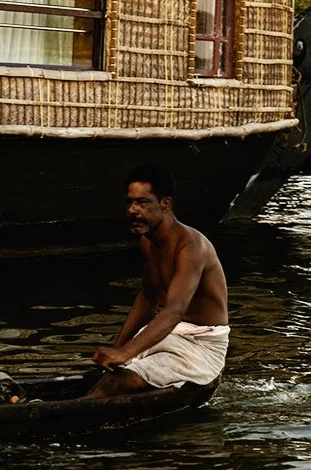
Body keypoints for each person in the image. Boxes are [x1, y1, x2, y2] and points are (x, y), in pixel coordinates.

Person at [86, 162, 230, 397]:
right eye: (130, 202)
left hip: (200, 347)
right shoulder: (148, 242)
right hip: (167, 335)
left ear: (166, 204)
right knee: (105, 376)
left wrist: (125, 354)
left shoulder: (191, 247)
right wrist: (119, 348)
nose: (132, 210)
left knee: (118, 383)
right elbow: (148, 297)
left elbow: (174, 311)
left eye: (142, 203)